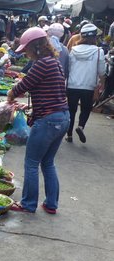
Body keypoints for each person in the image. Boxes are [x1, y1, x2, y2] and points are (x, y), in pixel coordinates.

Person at [7, 27, 70, 214]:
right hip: (62, 117)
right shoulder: (54, 62)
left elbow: (23, 86)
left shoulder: (42, 64)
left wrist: (10, 97)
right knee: (48, 162)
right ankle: (51, 204)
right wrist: (32, 108)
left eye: (26, 49)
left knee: (32, 162)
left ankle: (28, 204)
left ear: (35, 47)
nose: (26, 53)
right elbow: (53, 93)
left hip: (48, 121)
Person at [66, 23, 105, 143]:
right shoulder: (99, 51)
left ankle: (69, 135)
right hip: (88, 86)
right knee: (86, 109)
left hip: (72, 85)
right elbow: (101, 72)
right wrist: (100, 87)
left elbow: (68, 68)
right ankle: (81, 126)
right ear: (94, 37)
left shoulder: (73, 50)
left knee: (71, 110)